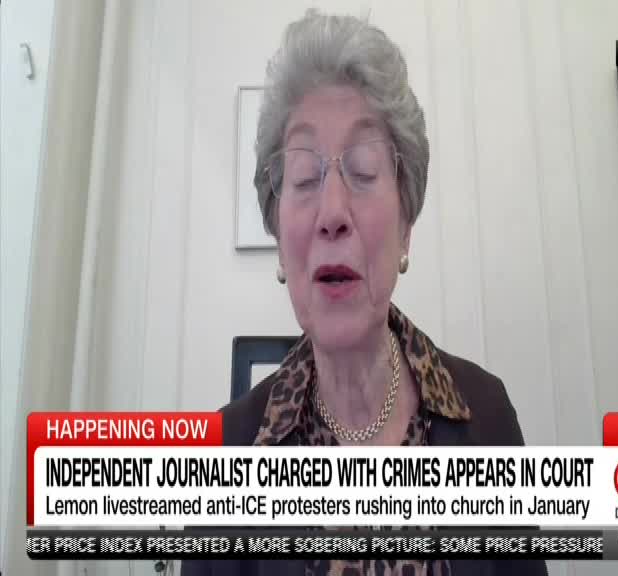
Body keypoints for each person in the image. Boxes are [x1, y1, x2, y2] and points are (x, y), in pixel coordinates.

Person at [183, 10, 547, 576]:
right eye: (304, 178)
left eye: (364, 168)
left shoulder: (488, 412)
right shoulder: (222, 454)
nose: (332, 212)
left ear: (406, 226)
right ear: (278, 237)